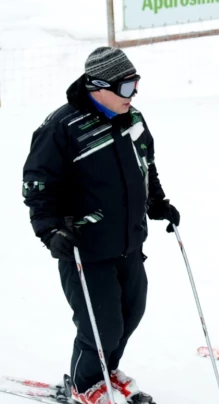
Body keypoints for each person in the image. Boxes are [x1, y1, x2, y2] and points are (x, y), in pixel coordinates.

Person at [22, 47, 180, 404]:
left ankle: (106, 371)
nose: (133, 94)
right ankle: (85, 384)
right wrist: (49, 230)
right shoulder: (62, 128)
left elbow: (146, 166)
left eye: (135, 85)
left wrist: (158, 202)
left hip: (128, 241)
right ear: (97, 87)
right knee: (101, 325)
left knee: (130, 313)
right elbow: (38, 183)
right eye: (125, 87)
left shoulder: (134, 120)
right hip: (84, 246)